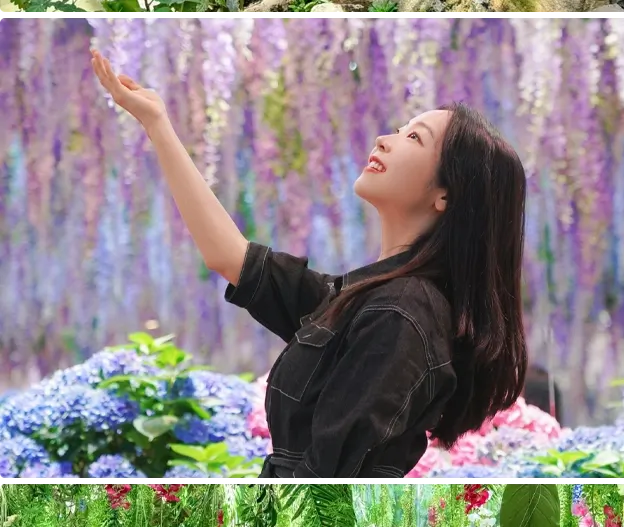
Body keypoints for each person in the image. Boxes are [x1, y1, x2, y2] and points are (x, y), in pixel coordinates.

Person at [91, 54, 528, 481]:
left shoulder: (400, 313)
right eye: (399, 129)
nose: (383, 139)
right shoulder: (367, 297)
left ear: (447, 195)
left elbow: (326, 489)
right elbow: (230, 258)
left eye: (414, 138)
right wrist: (157, 124)